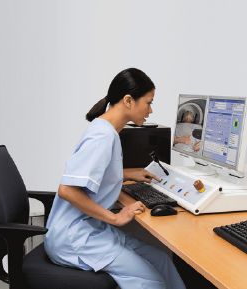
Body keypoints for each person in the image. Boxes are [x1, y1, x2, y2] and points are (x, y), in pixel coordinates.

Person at [44, 68, 186, 289]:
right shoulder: (102, 137)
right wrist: (116, 218)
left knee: (161, 260)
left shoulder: (107, 130)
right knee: (153, 281)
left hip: (91, 229)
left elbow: (92, 172)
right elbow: (67, 190)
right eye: (148, 102)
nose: (150, 110)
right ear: (129, 100)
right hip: (75, 239)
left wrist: (127, 173)